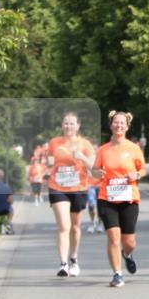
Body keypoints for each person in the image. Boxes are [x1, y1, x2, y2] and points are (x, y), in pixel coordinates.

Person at [92, 111, 145, 288]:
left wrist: (136, 174)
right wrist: (96, 172)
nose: (119, 125)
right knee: (113, 238)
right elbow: (94, 170)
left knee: (129, 242)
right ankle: (117, 273)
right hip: (107, 197)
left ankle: (127, 254)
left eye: (122, 123)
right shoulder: (103, 150)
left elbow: (143, 169)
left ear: (127, 126)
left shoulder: (134, 148)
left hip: (129, 198)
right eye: (116, 122)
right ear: (111, 125)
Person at [46, 113, 95, 277]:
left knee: (75, 227)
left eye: (72, 123)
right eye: (66, 123)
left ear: (78, 126)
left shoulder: (84, 144)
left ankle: (74, 258)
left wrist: (80, 156)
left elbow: (93, 166)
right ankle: (63, 264)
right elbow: (49, 161)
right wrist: (49, 163)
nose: (68, 126)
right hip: (57, 187)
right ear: (62, 125)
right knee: (64, 226)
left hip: (78, 188)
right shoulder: (54, 143)